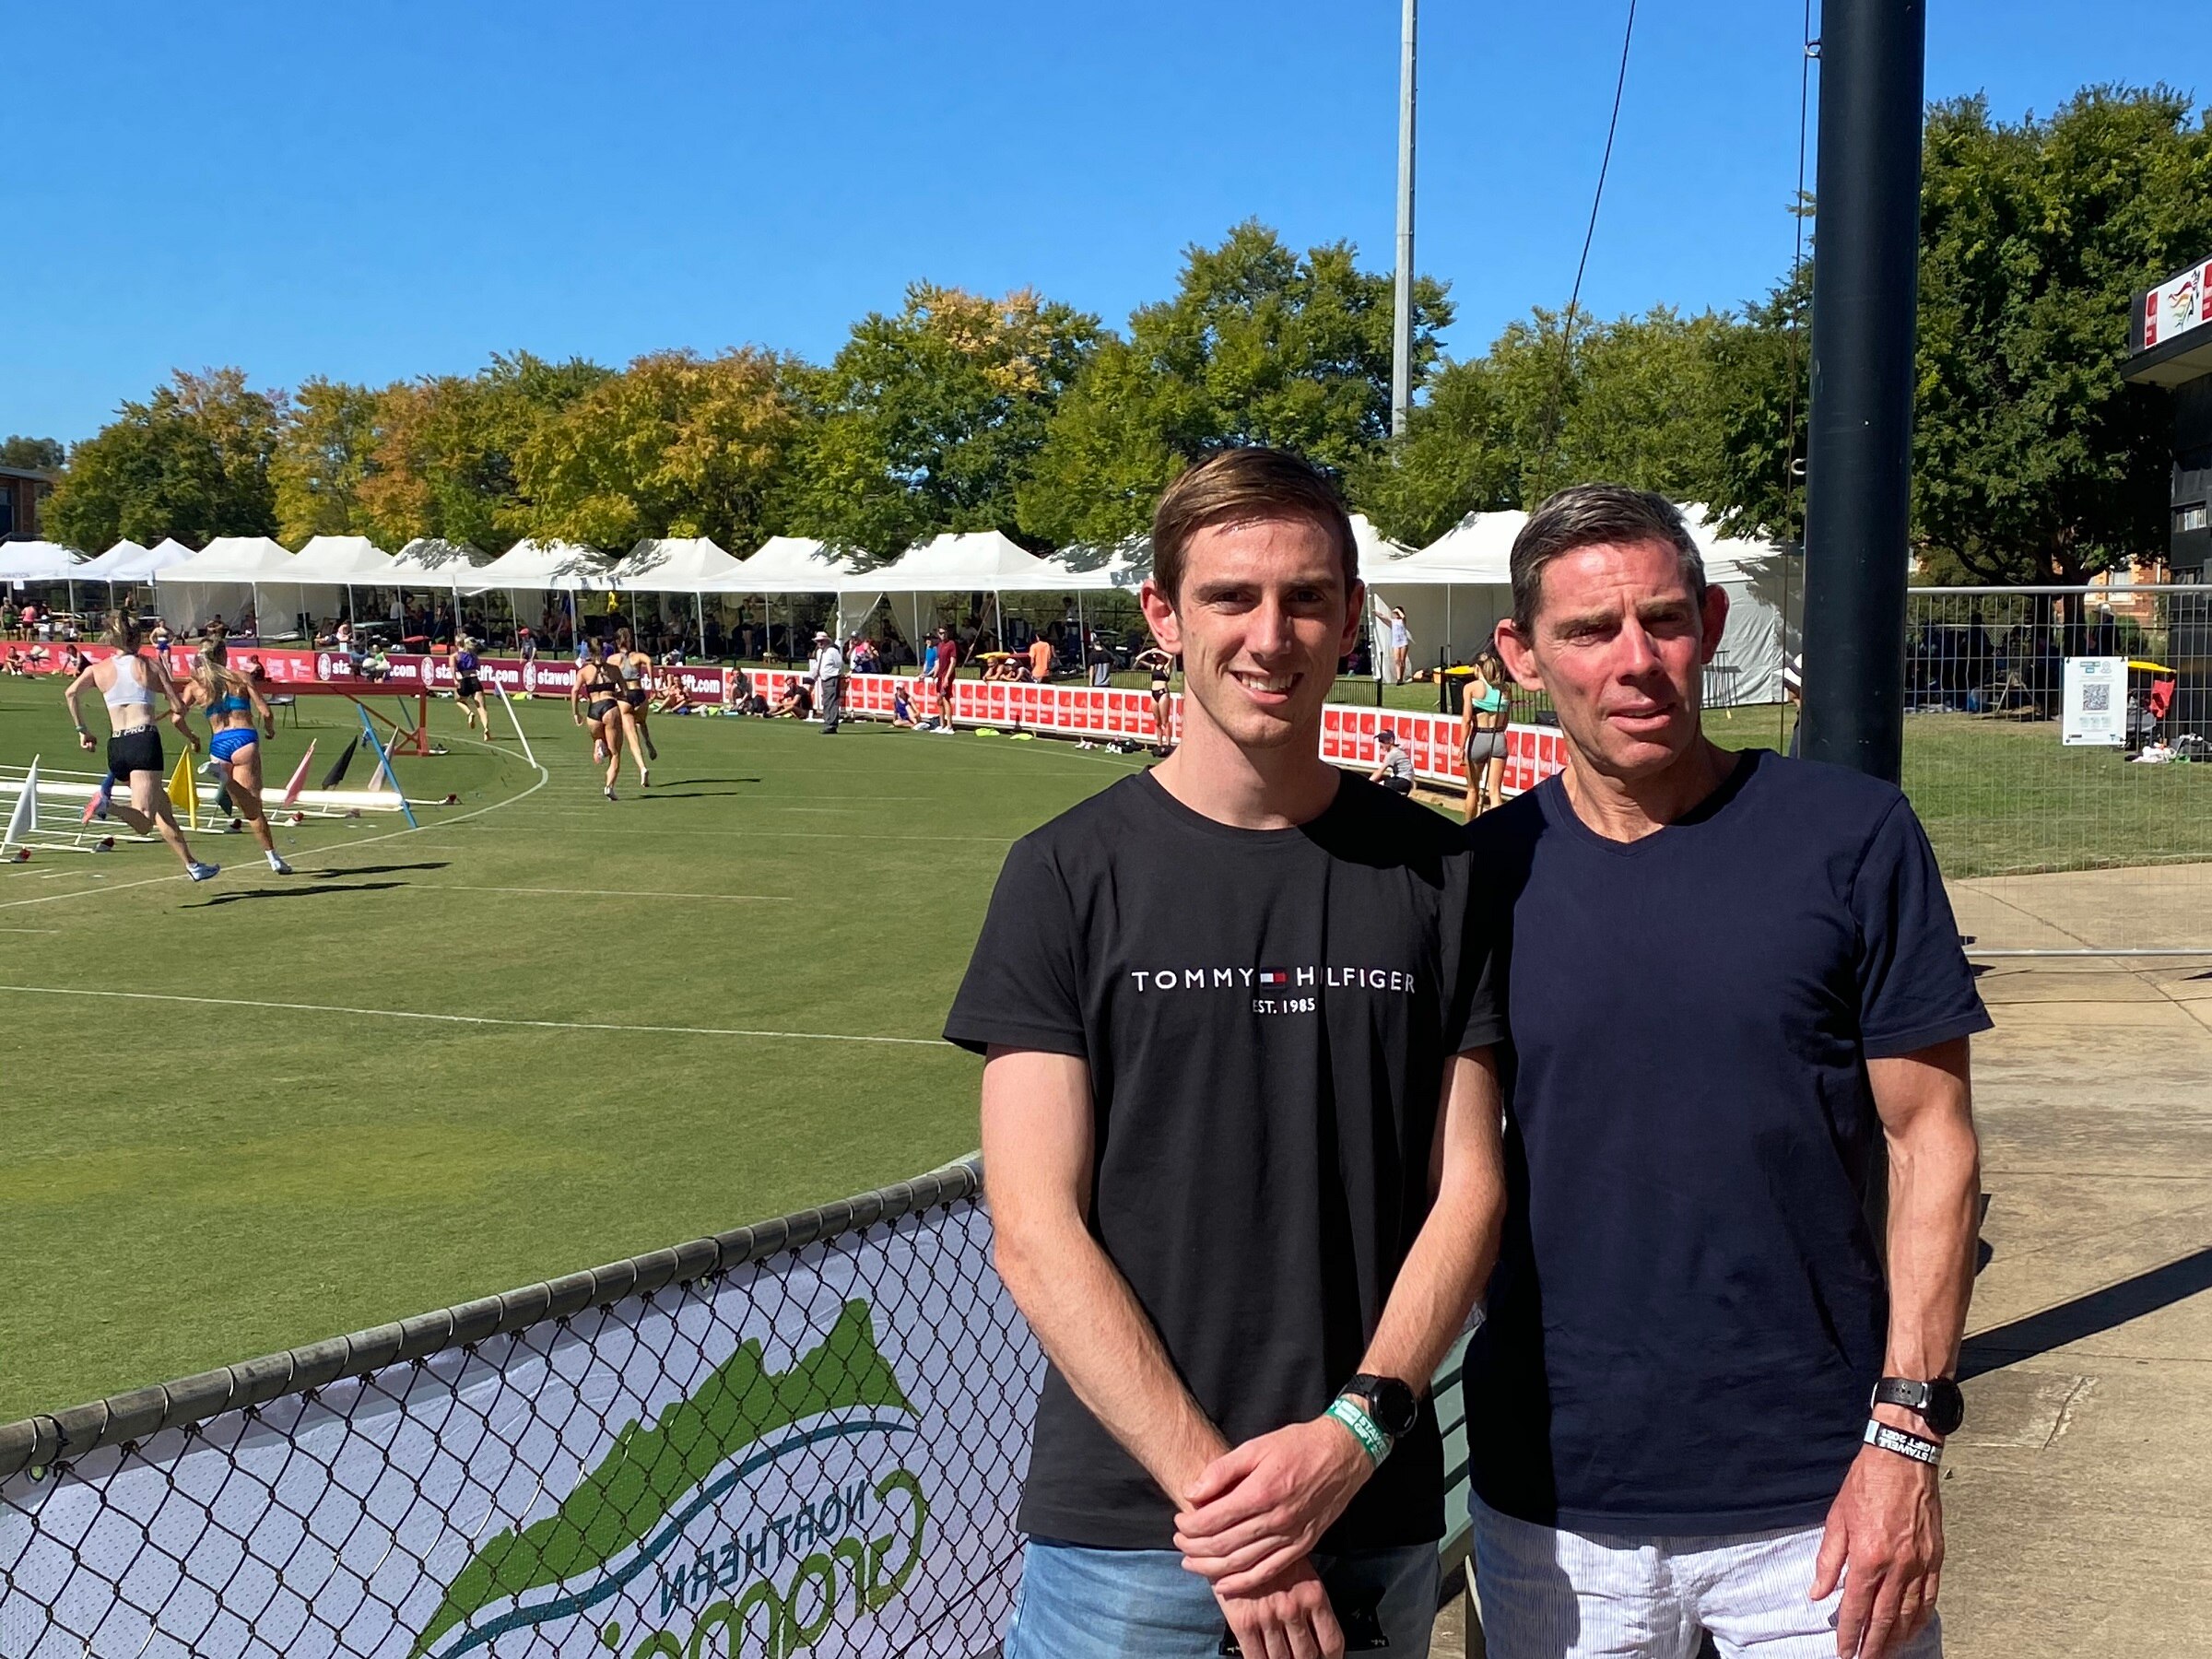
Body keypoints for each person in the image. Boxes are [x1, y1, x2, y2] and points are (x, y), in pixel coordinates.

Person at [948, 447, 1508, 1659]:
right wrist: (1235, 1513)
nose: (1271, 635)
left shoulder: (1441, 876)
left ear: (1353, 618)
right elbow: (1032, 1225)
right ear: (1162, 615)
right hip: (1131, 1536)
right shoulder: (1064, 875)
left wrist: (1353, 1436)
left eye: (1307, 598)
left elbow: (1469, 1189)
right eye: (1229, 598)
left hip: (1369, 1510)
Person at [1466, 485, 1988, 1659]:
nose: (1636, 662)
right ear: (1522, 652)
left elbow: (1932, 1143)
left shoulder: (1851, 836)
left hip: (1818, 1493)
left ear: (1708, 621)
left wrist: (1906, 1437)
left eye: (1664, 620)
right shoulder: (1479, 878)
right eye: (1590, 632)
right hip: (1557, 1509)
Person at [63, 613, 219, 882]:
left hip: (117, 746)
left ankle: (193, 865)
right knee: (145, 821)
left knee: (163, 808)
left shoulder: (98, 669)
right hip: (143, 742)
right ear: (137, 638)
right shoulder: (150, 665)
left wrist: (83, 731)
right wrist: (183, 707)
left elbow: (70, 693)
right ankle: (106, 805)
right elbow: (177, 706)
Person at [183, 636, 292, 875]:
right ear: (224, 655)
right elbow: (265, 711)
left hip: (218, 744)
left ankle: (223, 776)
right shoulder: (241, 677)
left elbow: (175, 717)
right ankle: (273, 858)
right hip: (243, 738)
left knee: (238, 801)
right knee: (253, 806)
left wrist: (193, 738)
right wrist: (270, 730)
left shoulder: (195, 685)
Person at [571, 639, 629, 801]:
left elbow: (575, 691)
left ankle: (598, 743)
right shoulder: (614, 669)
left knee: (598, 737)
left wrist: (576, 713)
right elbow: (625, 692)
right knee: (615, 753)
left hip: (593, 711)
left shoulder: (584, 671)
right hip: (610, 707)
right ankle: (609, 786)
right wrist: (614, 694)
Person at [1458, 641, 1511, 818]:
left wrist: (1461, 747)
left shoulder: (1471, 688)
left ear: (1478, 668)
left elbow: (1466, 720)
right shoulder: (1505, 689)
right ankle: (1498, 831)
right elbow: (1506, 721)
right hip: (1498, 737)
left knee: (1472, 789)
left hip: (1479, 737)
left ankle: (1468, 828)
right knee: (1495, 791)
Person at [612, 626, 659, 766]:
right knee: (641, 722)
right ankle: (648, 742)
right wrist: (653, 685)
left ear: (617, 642)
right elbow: (649, 661)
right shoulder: (637, 656)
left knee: (631, 736)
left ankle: (642, 767)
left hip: (624, 696)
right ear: (630, 641)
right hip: (639, 694)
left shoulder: (613, 659)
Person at [1133, 645, 1176, 754]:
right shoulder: (1153, 666)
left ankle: (1168, 744)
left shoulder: (1166, 667)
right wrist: (1148, 652)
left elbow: (1171, 657)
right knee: (1157, 721)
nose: (1157, 657)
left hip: (1162, 692)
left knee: (1164, 720)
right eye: (1155, 656)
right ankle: (1159, 744)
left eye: (1158, 656)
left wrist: (1160, 651)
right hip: (1153, 693)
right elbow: (1138, 659)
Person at [452, 635, 492, 735]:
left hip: (464, 680)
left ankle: (469, 713)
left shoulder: (455, 656)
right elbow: (478, 667)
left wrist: (455, 680)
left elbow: (453, 668)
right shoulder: (473, 655)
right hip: (475, 679)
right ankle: (486, 728)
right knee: (481, 707)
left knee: (458, 700)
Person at [810, 629, 846, 734]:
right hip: (824, 679)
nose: (820, 643)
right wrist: (812, 677)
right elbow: (817, 666)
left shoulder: (832, 651)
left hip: (832, 678)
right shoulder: (819, 652)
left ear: (826, 641)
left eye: (821, 641)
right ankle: (828, 722)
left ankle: (831, 724)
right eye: (818, 641)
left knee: (831, 701)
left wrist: (836, 673)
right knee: (826, 701)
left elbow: (839, 664)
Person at [1367, 727, 1414, 794]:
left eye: (1382, 740)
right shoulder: (1397, 750)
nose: (1380, 743)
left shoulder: (1393, 753)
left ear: (1391, 741)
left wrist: (1368, 782)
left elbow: (1380, 771)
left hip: (1402, 781)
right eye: (1379, 740)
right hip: (1404, 782)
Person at [930, 626, 959, 732]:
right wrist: (934, 674)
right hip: (940, 675)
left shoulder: (951, 644)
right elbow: (937, 662)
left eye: (945, 633)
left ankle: (949, 726)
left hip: (946, 675)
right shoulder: (939, 645)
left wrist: (947, 677)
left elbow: (953, 662)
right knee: (939, 700)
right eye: (941, 633)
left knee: (945, 699)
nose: (943, 635)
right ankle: (942, 724)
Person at [1389, 606, 1412, 682]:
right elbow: (1383, 617)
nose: (1396, 615)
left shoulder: (1402, 620)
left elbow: (1403, 616)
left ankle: (1401, 678)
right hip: (1396, 642)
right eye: (1395, 614)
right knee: (1397, 660)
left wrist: (1398, 610)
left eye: (1397, 613)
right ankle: (1399, 678)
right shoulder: (1393, 621)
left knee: (1402, 660)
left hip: (1403, 642)